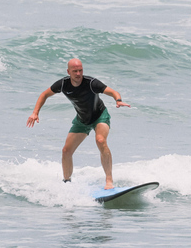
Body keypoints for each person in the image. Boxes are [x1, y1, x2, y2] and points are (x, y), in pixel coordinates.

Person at [27, 58, 130, 189]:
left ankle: (109, 181)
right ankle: (67, 183)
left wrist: (118, 100)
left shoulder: (91, 83)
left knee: (100, 140)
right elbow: (44, 94)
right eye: (74, 71)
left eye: (80, 70)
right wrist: (35, 112)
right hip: (82, 120)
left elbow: (112, 92)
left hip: (99, 116)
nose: (78, 74)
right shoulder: (63, 84)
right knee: (66, 151)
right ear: (68, 71)